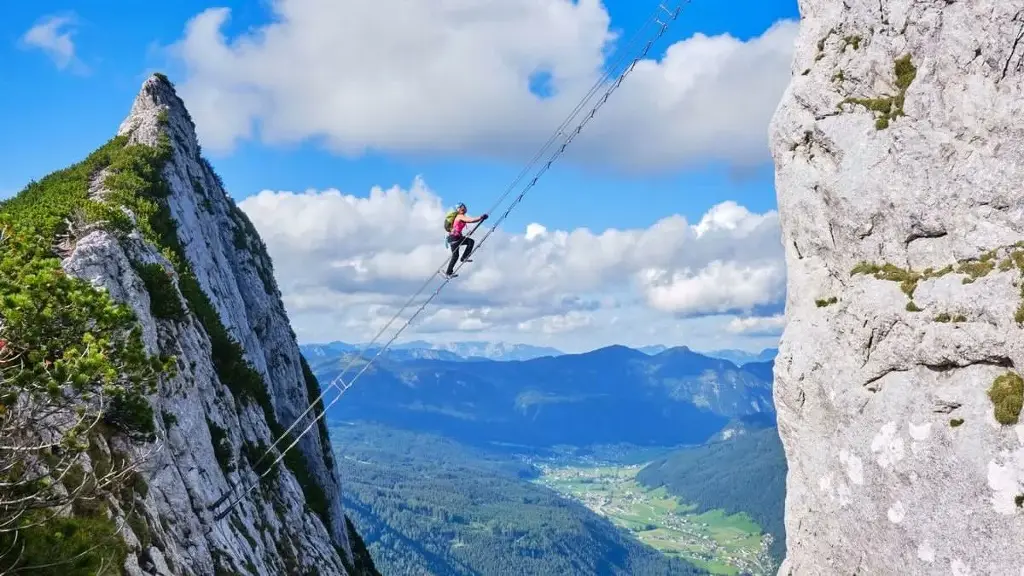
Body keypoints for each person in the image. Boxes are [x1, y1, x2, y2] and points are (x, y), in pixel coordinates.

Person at [444, 203, 487, 278]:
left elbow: (457, 229)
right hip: (454, 238)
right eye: (464, 208)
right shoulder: (460, 216)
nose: (465, 209)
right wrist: (481, 217)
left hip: (452, 238)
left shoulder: (458, 217)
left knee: (455, 256)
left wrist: (462, 235)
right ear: (461, 209)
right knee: (470, 242)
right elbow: (471, 220)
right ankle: (464, 258)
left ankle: (448, 272)